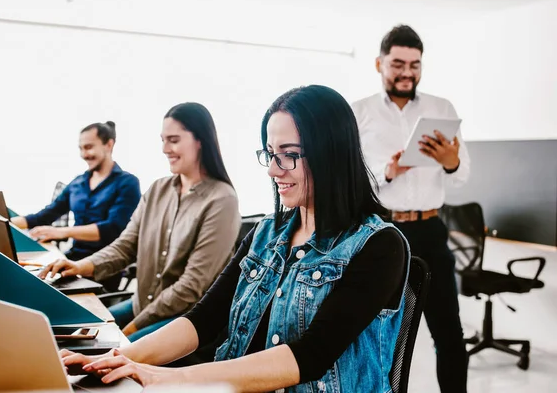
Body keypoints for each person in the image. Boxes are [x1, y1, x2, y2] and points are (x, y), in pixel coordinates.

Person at [59, 85, 409, 392]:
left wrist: (161, 378)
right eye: (271, 154)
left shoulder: (379, 246)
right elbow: (204, 319)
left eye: (289, 155)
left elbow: (310, 357)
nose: (273, 170)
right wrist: (113, 357)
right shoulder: (265, 234)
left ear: (331, 153)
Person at [39, 103, 241, 342]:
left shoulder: (222, 200)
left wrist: (133, 328)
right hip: (143, 304)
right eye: (163, 140)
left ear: (201, 141)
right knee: (69, 332)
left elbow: (190, 287)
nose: (165, 149)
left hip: (185, 319)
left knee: (107, 352)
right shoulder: (158, 189)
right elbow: (125, 246)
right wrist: (80, 266)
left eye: (174, 140)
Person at [352, 25, 471, 393]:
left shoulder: (442, 109)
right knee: (374, 336)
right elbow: (352, 183)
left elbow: (462, 176)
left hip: (431, 231)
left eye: (415, 65)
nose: (407, 73)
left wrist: (451, 161)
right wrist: (389, 172)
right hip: (381, 233)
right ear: (379, 63)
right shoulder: (359, 113)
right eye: (398, 64)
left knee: (449, 334)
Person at [11, 121, 141, 263]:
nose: (84, 154)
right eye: (81, 149)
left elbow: (113, 229)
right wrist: (7, 222)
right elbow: (44, 216)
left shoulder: (128, 183)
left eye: (89, 147)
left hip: (105, 263)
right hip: (74, 257)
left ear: (109, 145)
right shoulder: (77, 183)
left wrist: (62, 232)